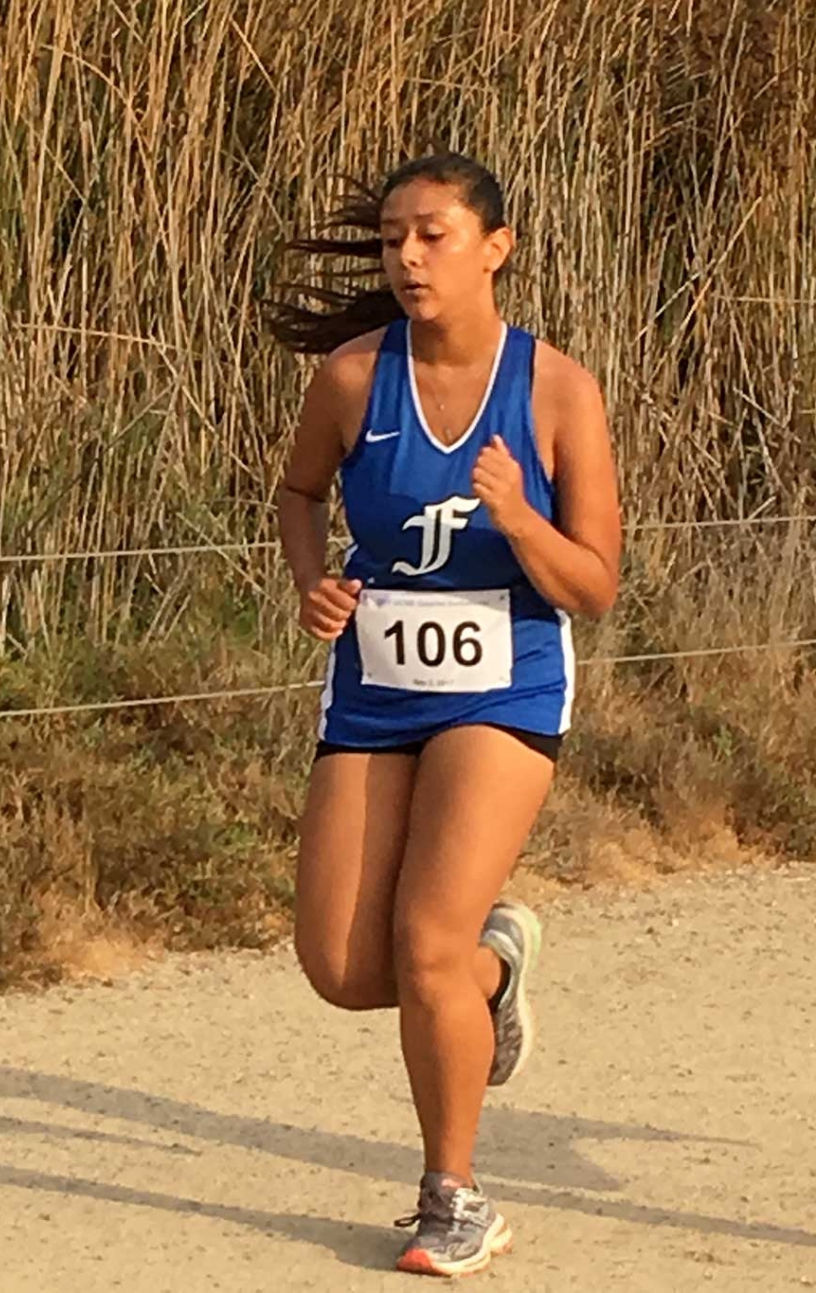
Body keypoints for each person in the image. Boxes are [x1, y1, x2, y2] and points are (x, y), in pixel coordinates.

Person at [270, 153, 620, 1277]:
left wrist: (520, 518)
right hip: (375, 687)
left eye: (432, 235)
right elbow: (297, 493)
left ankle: (452, 1198)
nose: (408, 258)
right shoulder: (352, 378)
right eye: (391, 240)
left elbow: (595, 586)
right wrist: (309, 580)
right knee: (340, 967)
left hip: (505, 686)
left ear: (495, 246)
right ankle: (494, 971)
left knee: (422, 942)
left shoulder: (558, 390)